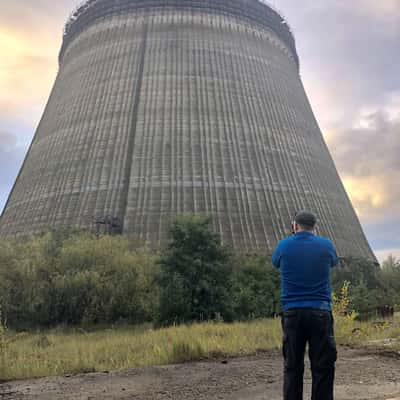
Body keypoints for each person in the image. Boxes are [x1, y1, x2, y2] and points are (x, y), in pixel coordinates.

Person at [272, 210, 339, 400]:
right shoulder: (326, 245)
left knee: (292, 367)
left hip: (292, 313)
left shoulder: (283, 246)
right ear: (315, 227)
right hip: (320, 312)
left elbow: (275, 262)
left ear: (294, 226)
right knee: (323, 367)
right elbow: (334, 262)